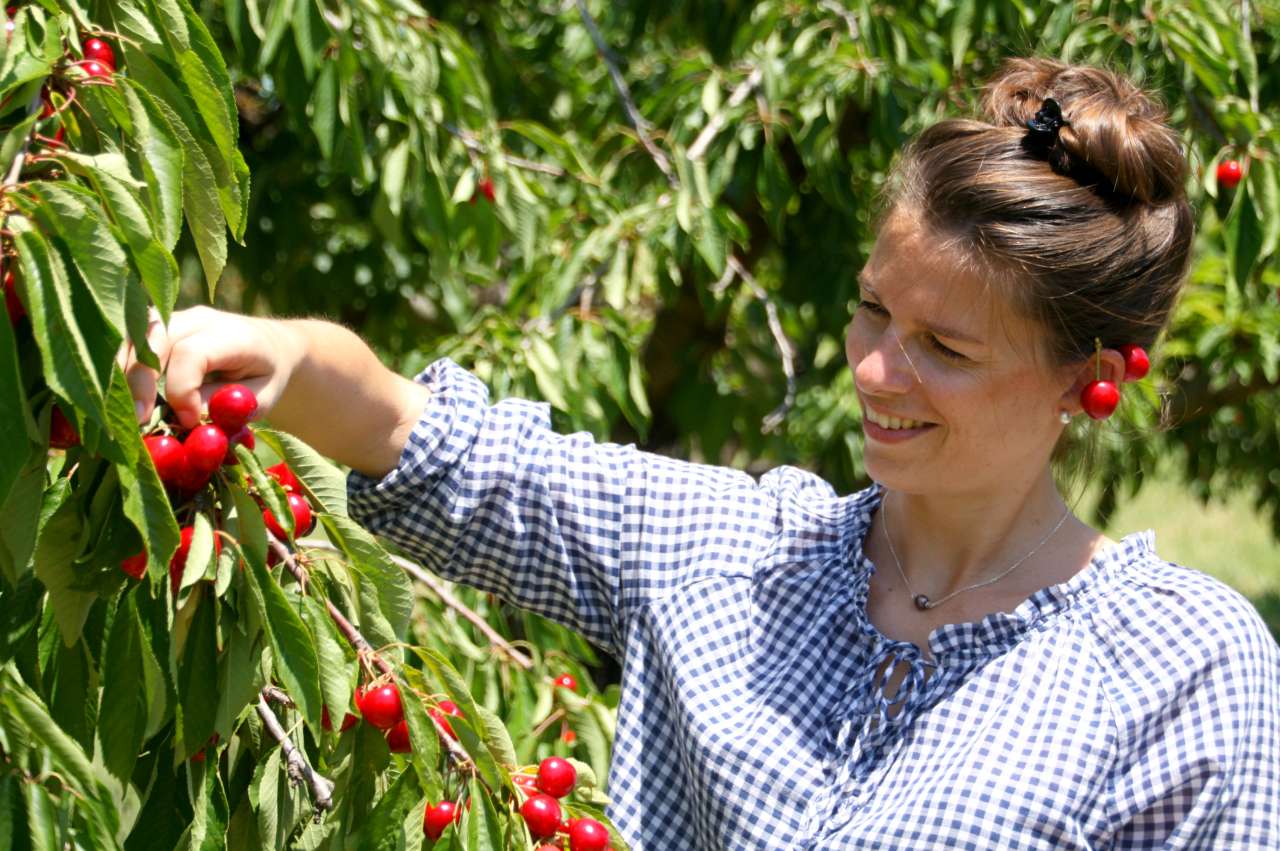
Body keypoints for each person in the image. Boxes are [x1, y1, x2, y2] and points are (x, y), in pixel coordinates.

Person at [123, 57, 1279, 849]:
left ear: (1090, 376)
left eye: (945, 346)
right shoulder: (738, 556)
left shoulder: (1175, 670)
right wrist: (285, 355)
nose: (874, 369)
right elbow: (461, 462)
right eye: (872, 310)